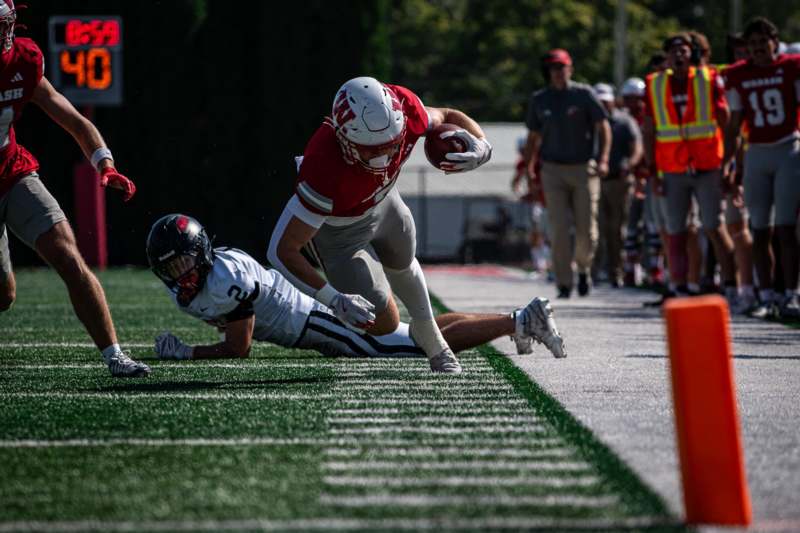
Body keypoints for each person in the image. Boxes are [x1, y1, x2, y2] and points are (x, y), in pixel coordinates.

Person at [267, 77, 492, 374]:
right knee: (382, 321)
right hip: (340, 231)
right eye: (372, 149)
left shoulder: (407, 109)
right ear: (343, 137)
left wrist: (483, 147)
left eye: (391, 144)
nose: (384, 155)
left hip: (385, 203)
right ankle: (338, 322)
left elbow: (449, 115)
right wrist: (332, 299)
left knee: (403, 258)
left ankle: (434, 341)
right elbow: (281, 251)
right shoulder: (323, 166)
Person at [147, 214, 566, 361]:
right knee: (419, 331)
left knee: (419, 346)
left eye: (184, 262)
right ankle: (514, 320)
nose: (180, 274)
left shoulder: (225, 281)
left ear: (201, 252)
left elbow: (240, 347)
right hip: (311, 311)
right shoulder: (208, 277)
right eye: (171, 268)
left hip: (315, 318)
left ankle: (519, 320)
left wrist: (188, 353)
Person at [0, 2, 148, 377]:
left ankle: (115, 356)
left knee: (68, 254)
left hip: (13, 172)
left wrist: (105, 163)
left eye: (6, 24)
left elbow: (74, 120)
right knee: (4, 295)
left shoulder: (25, 59)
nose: (3, 33)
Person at [643, 33, 737, 303]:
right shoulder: (655, 84)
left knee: (713, 225)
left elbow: (726, 120)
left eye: (684, 51)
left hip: (708, 165)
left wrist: (728, 160)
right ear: (668, 58)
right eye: (674, 52)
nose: (679, 55)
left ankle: (732, 286)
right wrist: (653, 171)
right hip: (673, 168)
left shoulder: (707, 78)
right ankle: (680, 286)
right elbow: (649, 129)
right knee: (675, 230)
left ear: (692, 54)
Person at [723, 17, 800, 318]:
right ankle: (765, 295)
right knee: (759, 228)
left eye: (761, 42)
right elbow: (733, 125)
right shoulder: (738, 75)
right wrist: (728, 163)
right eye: (751, 44)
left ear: (774, 42)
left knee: (785, 226)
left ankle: (790, 294)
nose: (756, 49)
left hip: (787, 148)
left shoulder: (791, 67)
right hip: (756, 152)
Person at [523, 49, 611, 298]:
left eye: (562, 67)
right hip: (552, 170)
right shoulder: (540, 99)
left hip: (584, 168)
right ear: (548, 72)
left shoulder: (583, 95)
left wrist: (603, 159)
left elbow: (604, 127)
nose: (558, 72)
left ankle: (583, 269)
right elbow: (533, 137)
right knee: (558, 229)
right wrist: (529, 168)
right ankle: (563, 281)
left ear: (570, 69)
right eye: (553, 68)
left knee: (587, 231)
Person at [592, 83, 643, 287]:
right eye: (599, 101)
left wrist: (628, 165)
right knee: (596, 229)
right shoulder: (589, 121)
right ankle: (593, 273)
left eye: (606, 100)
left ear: (613, 100)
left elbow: (636, 148)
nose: (603, 104)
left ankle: (617, 272)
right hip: (595, 180)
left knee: (617, 230)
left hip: (619, 181)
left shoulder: (624, 121)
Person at [511, 136, 550, 273]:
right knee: (535, 233)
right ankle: (540, 264)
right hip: (536, 203)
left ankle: (550, 264)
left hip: (549, 202)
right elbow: (515, 182)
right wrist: (522, 194)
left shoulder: (543, 160)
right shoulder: (523, 163)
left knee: (549, 234)